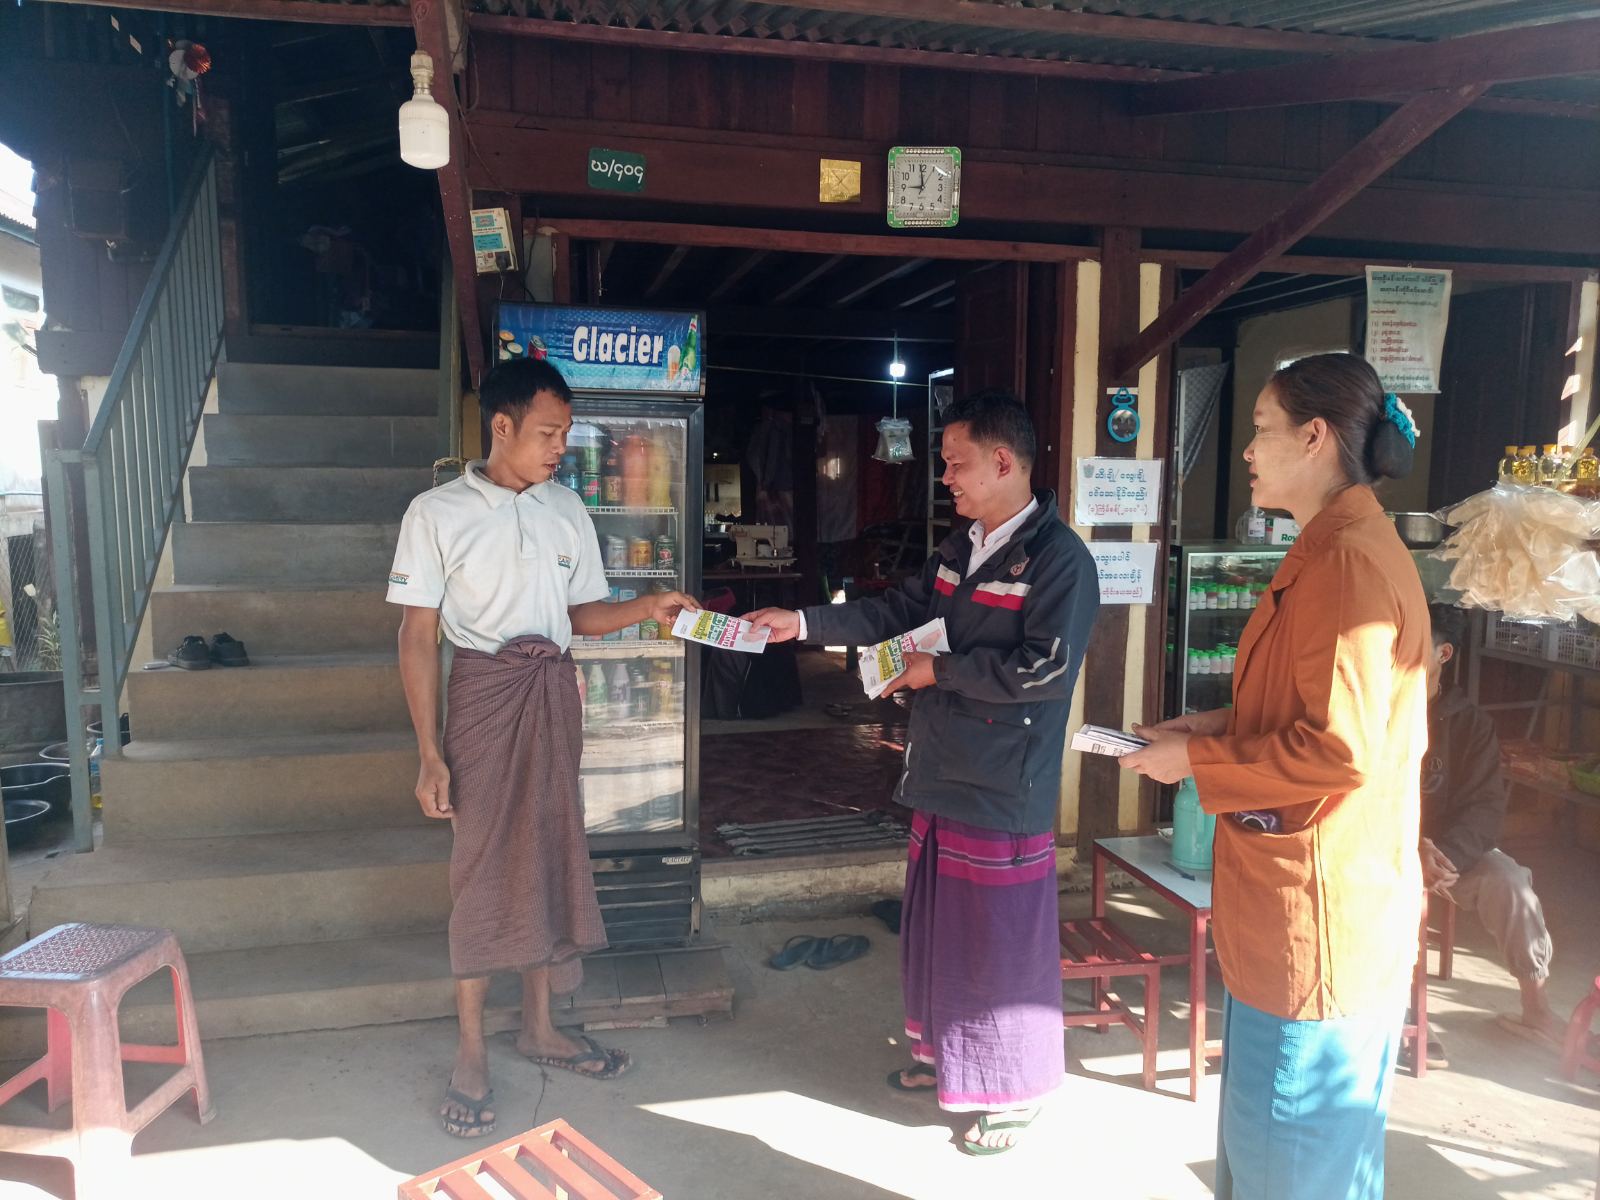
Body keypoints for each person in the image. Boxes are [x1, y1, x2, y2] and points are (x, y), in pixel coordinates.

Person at [747, 389, 1100, 1156]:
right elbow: (895, 614)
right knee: (941, 932)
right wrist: (801, 622)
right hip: (942, 767)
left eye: (954, 463)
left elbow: (1045, 670)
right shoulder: (958, 547)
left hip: (1004, 784)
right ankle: (949, 1059)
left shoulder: (1060, 560)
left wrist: (936, 671)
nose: (944, 477)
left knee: (999, 947)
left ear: (1002, 462)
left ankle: (1014, 1091)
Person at [1121, 353, 1428, 1200]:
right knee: (1281, 1162)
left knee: (1290, 1167)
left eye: (1262, 430)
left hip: (1316, 924)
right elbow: (1305, 707)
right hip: (1290, 914)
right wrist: (1208, 728)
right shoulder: (1327, 547)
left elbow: (1339, 751)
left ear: (1316, 437)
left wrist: (1196, 763)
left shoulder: (1348, 564)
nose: (1249, 451)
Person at [388, 359, 696, 1138]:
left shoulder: (567, 509)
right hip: (484, 698)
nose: (562, 447)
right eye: (549, 433)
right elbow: (417, 635)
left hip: (554, 694)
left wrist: (648, 606)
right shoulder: (437, 513)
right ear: (502, 426)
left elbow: (581, 615)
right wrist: (429, 753)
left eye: (565, 433)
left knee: (548, 857)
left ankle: (539, 1027)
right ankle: (470, 1049)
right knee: (481, 870)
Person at [1421, 603, 1561, 1057]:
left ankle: (1536, 1008)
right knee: (1383, 896)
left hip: (1447, 856)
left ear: (1443, 654)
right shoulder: (1375, 709)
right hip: (1383, 846)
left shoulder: (1470, 724)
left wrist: (1445, 856)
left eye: (1412, 641)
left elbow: (1484, 807)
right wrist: (1408, 847)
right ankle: (1403, 1020)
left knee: (1511, 882)